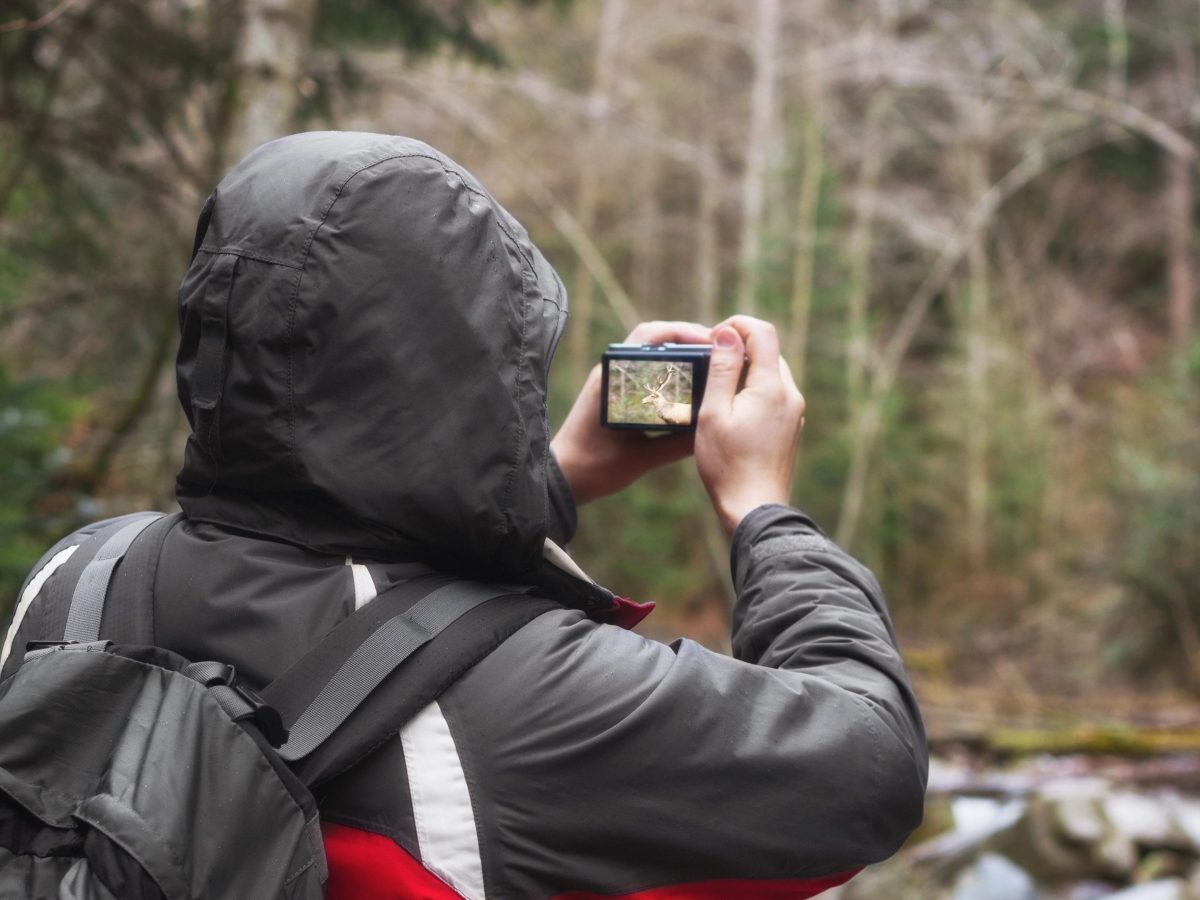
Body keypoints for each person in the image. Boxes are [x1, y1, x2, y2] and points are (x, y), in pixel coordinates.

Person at [3, 132, 926, 898]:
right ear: (479, 368)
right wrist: (761, 506)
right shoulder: (531, 701)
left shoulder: (80, 580)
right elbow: (868, 768)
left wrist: (553, 482)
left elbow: (346, 581)